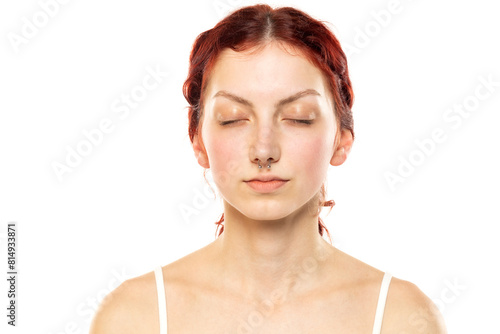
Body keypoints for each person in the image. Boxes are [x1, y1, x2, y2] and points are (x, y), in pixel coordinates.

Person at [90, 4, 447, 333]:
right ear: (197, 140)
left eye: (298, 118)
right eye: (232, 119)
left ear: (342, 138)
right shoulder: (135, 317)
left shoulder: (401, 317)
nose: (264, 150)